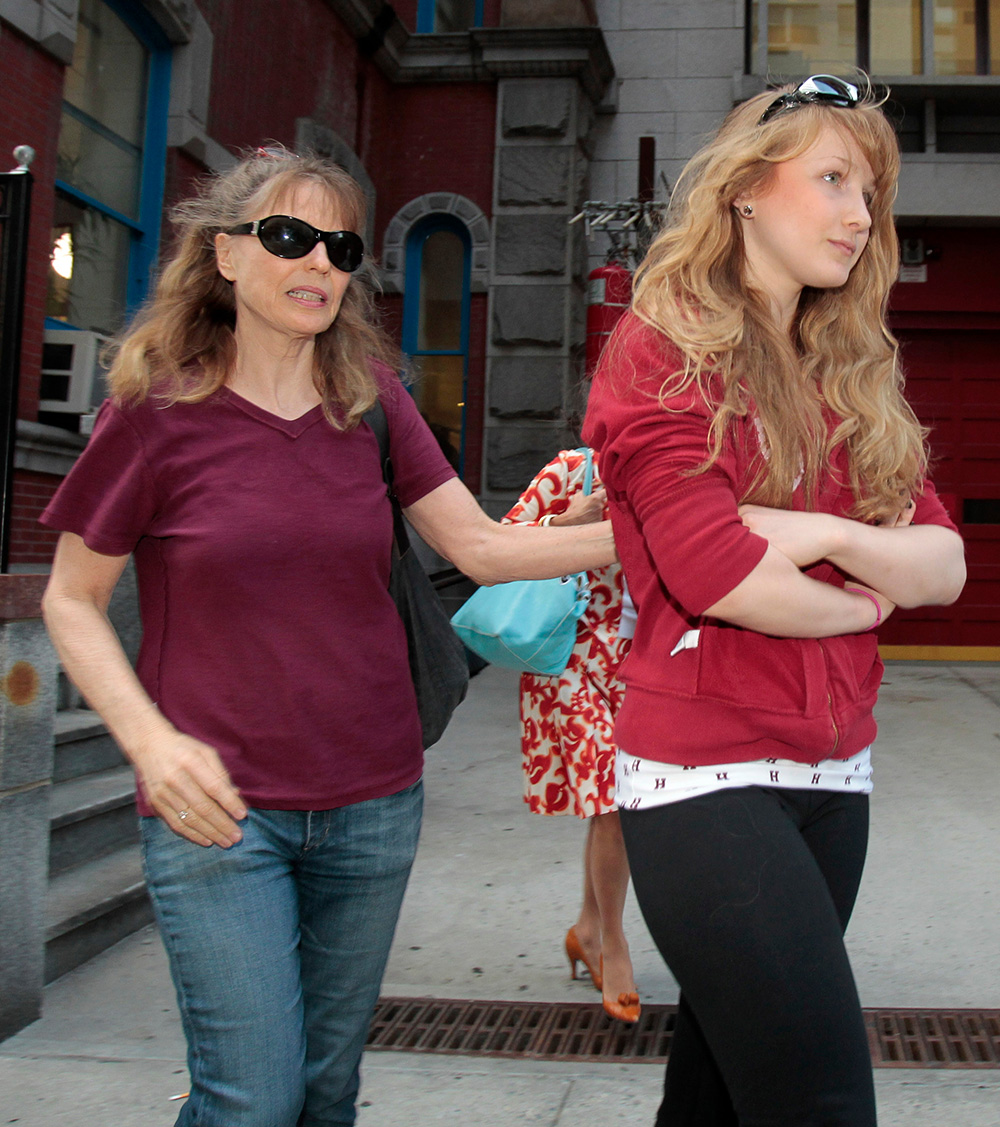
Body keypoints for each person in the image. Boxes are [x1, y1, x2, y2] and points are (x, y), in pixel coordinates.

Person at [39, 147, 615, 1127]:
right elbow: (69, 599)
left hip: (373, 800)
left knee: (323, 1089)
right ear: (223, 254)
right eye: (287, 236)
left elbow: (477, 547)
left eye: (340, 245)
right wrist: (150, 740)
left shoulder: (372, 401)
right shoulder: (156, 412)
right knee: (250, 1098)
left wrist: (674, 530)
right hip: (220, 810)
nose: (318, 262)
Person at [583, 75, 966, 1126]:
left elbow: (946, 567)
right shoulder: (662, 351)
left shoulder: (849, 370)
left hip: (834, 770)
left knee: (715, 1093)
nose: (859, 215)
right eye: (834, 179)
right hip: (703, 776)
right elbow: (725, 578)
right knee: (821, 1101)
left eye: (872, 194)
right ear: (745, 189)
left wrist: (831, 539)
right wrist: (866, 580)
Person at [503, 448, 638, 1023]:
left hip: (641, 661)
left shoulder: (680, 467)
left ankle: (587, 927)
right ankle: (614, 943)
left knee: (610, 805)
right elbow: (496, 546)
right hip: (571, 658)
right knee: (612, 803)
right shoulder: (572, 469)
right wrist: (565, 523)